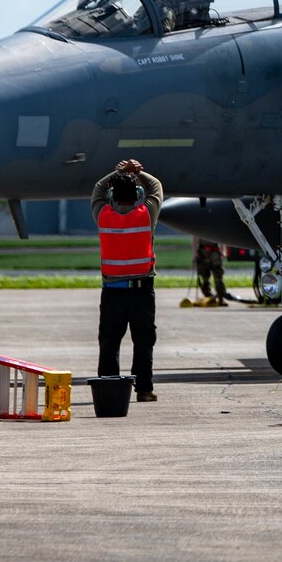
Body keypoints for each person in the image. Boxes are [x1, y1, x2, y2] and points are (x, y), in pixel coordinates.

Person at [92, 158, 164, 401]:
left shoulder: (103, 215)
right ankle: (144, 390)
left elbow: (97, 191)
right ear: (138, 194)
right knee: (143, 342)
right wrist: (138, 172)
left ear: (113, 194)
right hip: (142, 291)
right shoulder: (146, 215)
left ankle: (109, 388)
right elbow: (156, 188)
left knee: (110, 341)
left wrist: (119, 171)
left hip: (112, 291)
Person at [192, 237, 232, 303]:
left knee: (218, 277)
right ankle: (208, 296)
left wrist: (223, 250)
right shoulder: (199, 227)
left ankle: (221, 297)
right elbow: (195, 237)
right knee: (204, 277)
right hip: (202, 252)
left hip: (215, 251)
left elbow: (221, 236)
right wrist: (195, 252)